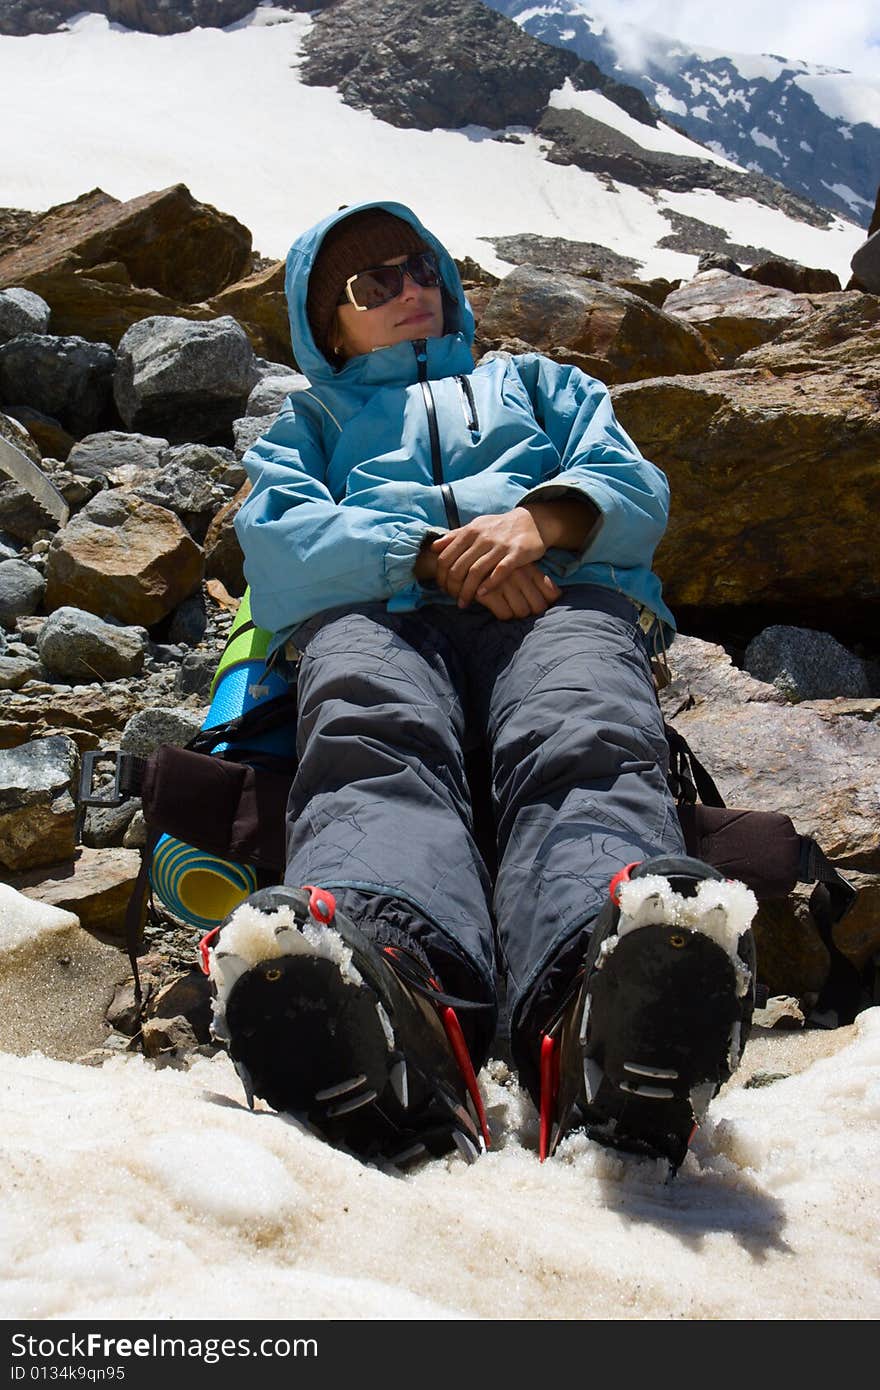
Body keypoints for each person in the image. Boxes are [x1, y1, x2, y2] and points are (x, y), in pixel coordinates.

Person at [209, 200, 757, 1171]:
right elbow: (277, 547)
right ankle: (390, 975)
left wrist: (539, 523)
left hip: (554, 587)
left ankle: (596, 991)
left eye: (419, 269)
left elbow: (631, 486)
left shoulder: (538, 382)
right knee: (371, 735)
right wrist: (427, 556)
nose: (410, 291)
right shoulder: (310, 421)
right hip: (383, 608)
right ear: (326, 325)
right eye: (372, 285)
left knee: (583, 721)